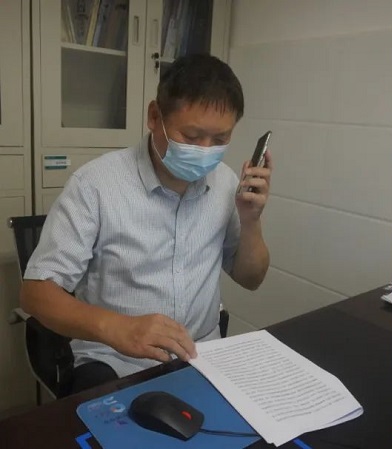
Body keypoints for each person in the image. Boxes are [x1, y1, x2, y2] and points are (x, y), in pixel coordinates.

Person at [19, 54, 271, 394]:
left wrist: (251, 220)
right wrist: (119, 327)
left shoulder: (226, 183)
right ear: (155, 116)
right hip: (115, 360)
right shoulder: (95, 185)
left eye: (219, 139)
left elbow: (251, 278)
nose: (205, 151)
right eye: (192, 136)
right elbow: (36, 294)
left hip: (202, 357)